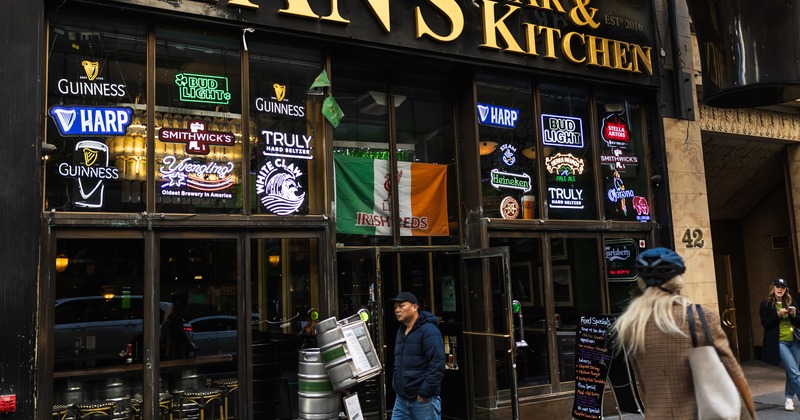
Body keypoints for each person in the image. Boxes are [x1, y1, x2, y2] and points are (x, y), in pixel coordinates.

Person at [610, 247, 756, 419]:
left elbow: (643, 385)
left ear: (641, 283)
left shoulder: (632, 325)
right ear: (678, 280)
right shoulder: (701, 317)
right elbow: (735, 374)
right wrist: (751, 415)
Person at [390, 292, 445, 420]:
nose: (397, 310)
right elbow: (398, 362)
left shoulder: (429, 330)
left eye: (401, 306)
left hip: (423, 400)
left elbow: (438, 364)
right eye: (395, 307)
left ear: (415, 307)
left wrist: (425, 393)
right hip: (401, 399)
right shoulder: (401, 331)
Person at [759, 277, 800, 411]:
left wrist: (794, 315)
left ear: (786, 290)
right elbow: (765, 323)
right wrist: (778, 315)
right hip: (780, 342)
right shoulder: (765, 305)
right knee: (794, 372)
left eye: (782, 287)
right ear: (773, 288)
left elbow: (799, 321)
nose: (780, 289)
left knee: (791, 371)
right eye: (777, 287)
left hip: (795, 341)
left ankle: (789, 399)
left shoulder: (791, 302)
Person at [161, 290, 196, 360]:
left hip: (172, 352)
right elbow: (181, 335)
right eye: (185, 302)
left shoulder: (172, 316)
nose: (187, 305)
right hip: (174, 352)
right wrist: (190, 347)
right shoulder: (174, 317)